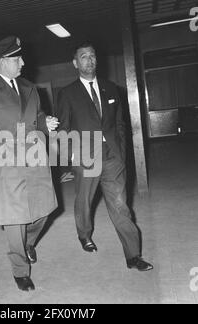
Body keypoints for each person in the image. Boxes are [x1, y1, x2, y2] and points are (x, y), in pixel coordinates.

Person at [0, 36, 59, 291]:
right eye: (17, 58)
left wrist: (44, 123)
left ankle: (29, 244)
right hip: (7, 164)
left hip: (35, 158)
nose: (23, 62)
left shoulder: (29, 87)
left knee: (44, 210)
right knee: (15, 220)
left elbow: (36, 117)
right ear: (3, 61)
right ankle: (20, 270)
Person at [57, 42, 153, 271]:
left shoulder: (111, 88)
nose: (89, 60)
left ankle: (133, 255)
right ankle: (84, 234)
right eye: (83, 57)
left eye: (92, 56)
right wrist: (72, 157)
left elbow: (120, 124)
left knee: (120, 206)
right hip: (85, 157)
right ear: (75, 63)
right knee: (84, 202)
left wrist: (121, 152)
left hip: (112, 157)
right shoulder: (67, 93)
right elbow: (63, 128)